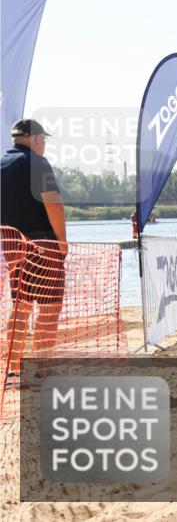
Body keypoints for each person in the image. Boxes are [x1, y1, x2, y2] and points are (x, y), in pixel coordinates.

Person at [1, 119, 67, 390]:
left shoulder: (2, 165)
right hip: (43, 244)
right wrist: (62, 241)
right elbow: (53, 202)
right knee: (49, 310)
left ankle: (13, 372)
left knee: (20, 306)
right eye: (43, 139)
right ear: (35, 138)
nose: (44, 144)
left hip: (12, 244)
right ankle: (43, 372)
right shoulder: (38, 163)